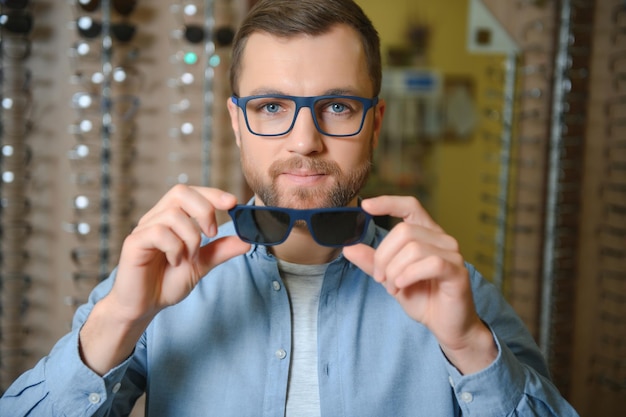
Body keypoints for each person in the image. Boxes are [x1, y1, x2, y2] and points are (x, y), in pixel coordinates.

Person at [1, 0, 579, 416]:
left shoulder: (461, 296)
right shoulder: (150, 283)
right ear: (237, 124)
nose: (304, 141)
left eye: (336, 106)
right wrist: (119, 321)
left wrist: (472, 349)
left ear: (374, 124)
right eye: (273, 107)